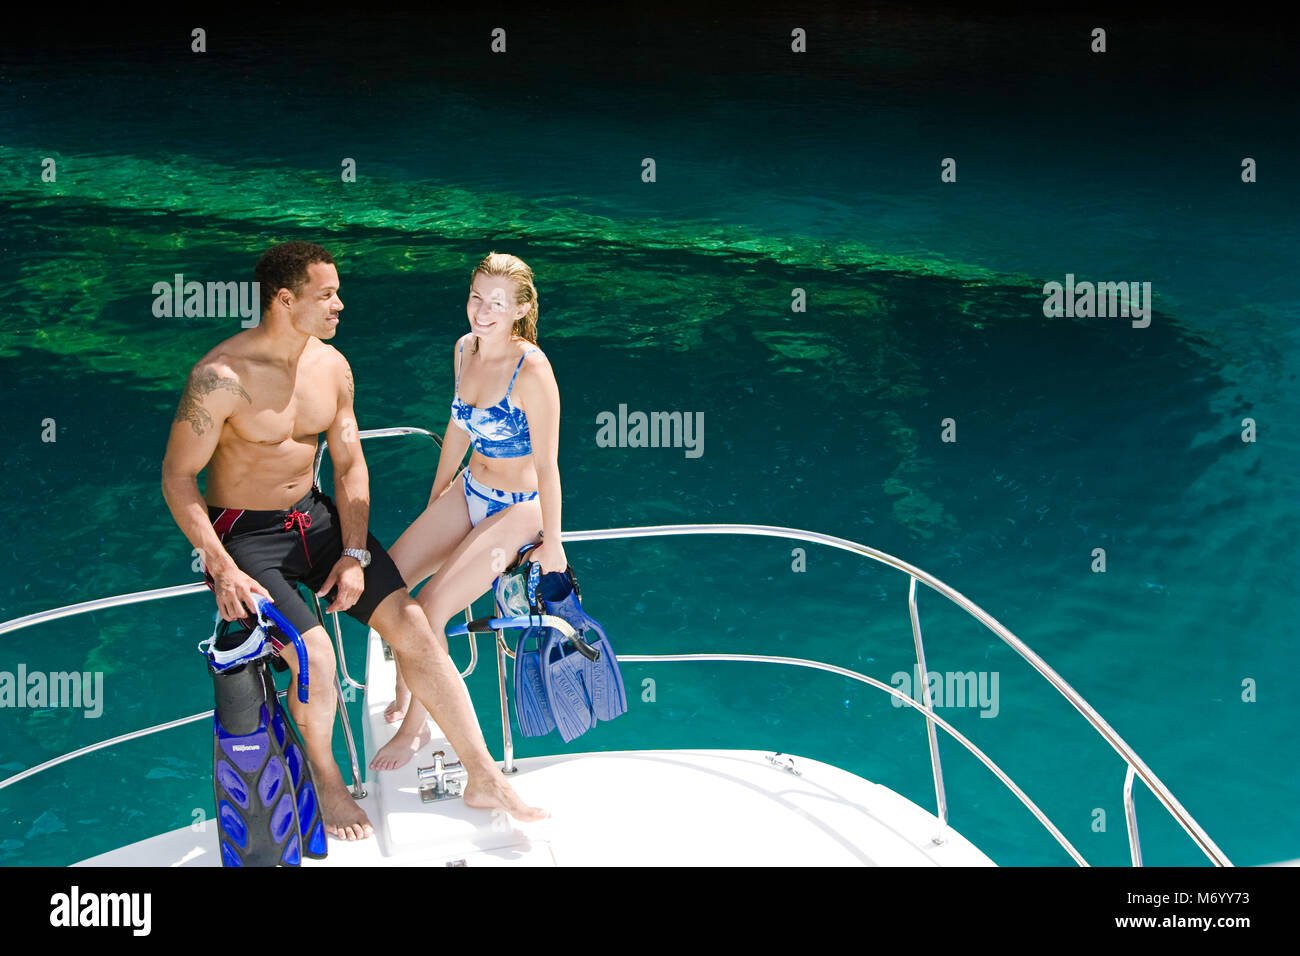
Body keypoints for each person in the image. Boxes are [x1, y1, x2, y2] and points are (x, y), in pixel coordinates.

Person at [160, 241, 548, 841]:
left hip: (314, 521)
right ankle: (328, 781)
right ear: (286, 301)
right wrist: (220, 566)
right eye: (326, 295)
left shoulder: (331, 367)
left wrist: (356, 552)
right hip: (243, 536)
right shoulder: (219, 379)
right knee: (317, 659)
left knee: (415, 626)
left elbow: (348, 466)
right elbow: (178, 476)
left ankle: (483, 774)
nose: (340, 304)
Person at [370, 252, 564, 771]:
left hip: (520, 509)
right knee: (385, 580)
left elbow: (548, 465)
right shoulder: (464, 349)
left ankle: (416, 726)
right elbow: (457, 426)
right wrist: (438, 493)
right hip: (470, 486)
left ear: (521, 308)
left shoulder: (533, 370)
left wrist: (554, 544)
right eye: (477, 296)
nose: (482, 310)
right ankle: (407, 686)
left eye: (497, 302)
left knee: (430, 607)